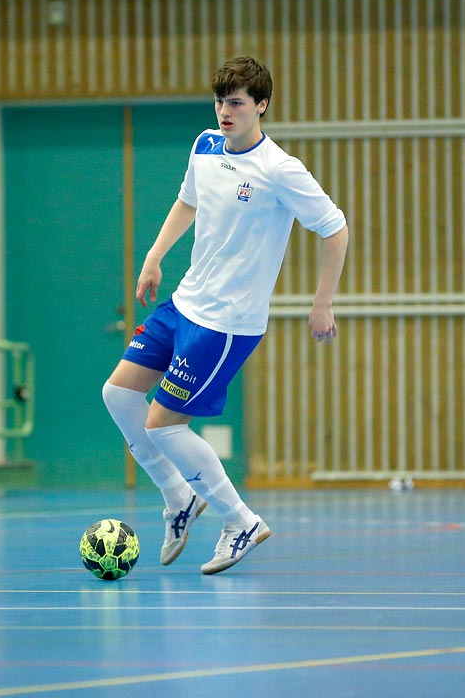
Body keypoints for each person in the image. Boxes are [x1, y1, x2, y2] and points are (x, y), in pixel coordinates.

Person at [101, 56, 349, 574]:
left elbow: (335, 227)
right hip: (185, 302)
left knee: (165, 424)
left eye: (236, 103)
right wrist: (154, 256)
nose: (225, 112)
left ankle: (241, 521)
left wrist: (322, 301)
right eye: (220, 101)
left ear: (262, 105)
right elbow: (187, 201)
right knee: (119, 393)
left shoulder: (280, 169)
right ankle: (178, 496)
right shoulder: (205, 146)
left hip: (227, 323)